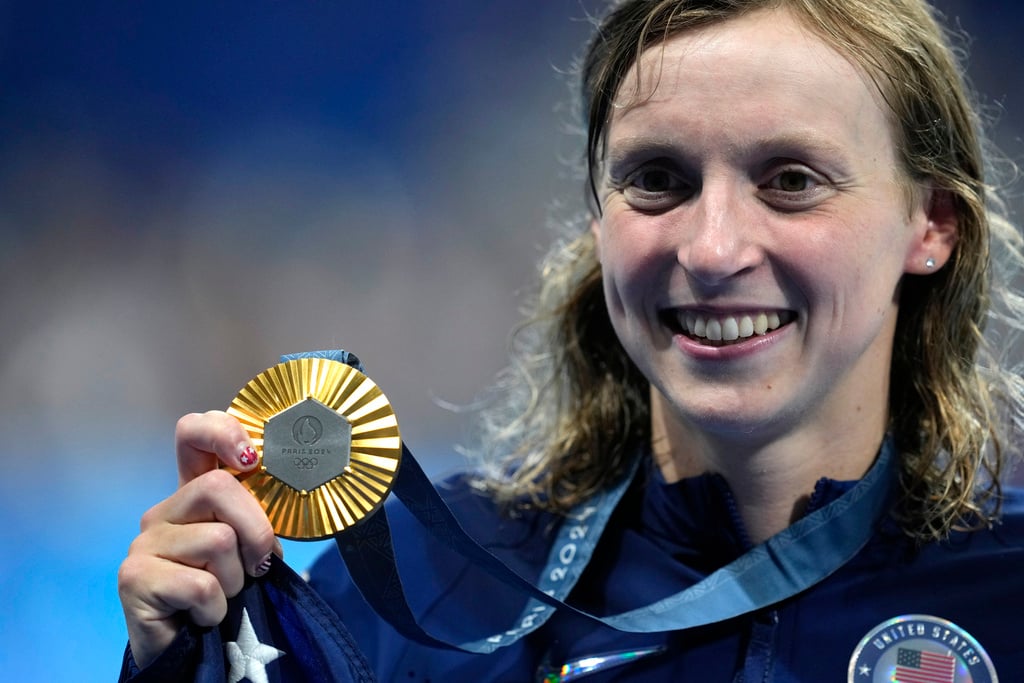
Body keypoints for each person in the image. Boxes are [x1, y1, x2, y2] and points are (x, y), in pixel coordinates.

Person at [118, 0, 1024, 680]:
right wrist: (178, 660)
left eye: (790, 179)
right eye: (657, 178)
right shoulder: (427, 581)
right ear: (599, 219)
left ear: (930, 222)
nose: (711, 249)